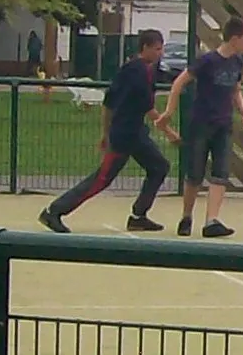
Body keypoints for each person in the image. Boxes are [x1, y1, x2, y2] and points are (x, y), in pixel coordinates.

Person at [39, 29, 171, 233]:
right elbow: (142, 107)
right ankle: (53, 212)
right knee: (101, 179)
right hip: (124, 135)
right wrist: (169, 131)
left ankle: (138, 215)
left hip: (136, 133)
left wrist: (105, 132)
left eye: (161, 49)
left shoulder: (140, 70)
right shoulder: (136, 72)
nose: (160, 53)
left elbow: (109, 103)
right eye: (157, 49)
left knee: (159, 167)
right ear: (144, 48)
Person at [158, 17, 243, 238]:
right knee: (194, 174)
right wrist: (169, 111)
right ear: (234, 39)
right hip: (201, 124)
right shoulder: (208, 61)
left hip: (223, 125)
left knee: (220, 173)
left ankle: (212, 220)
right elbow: (179, 82)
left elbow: (236, 90)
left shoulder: (237, 62)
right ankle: (186, 216)